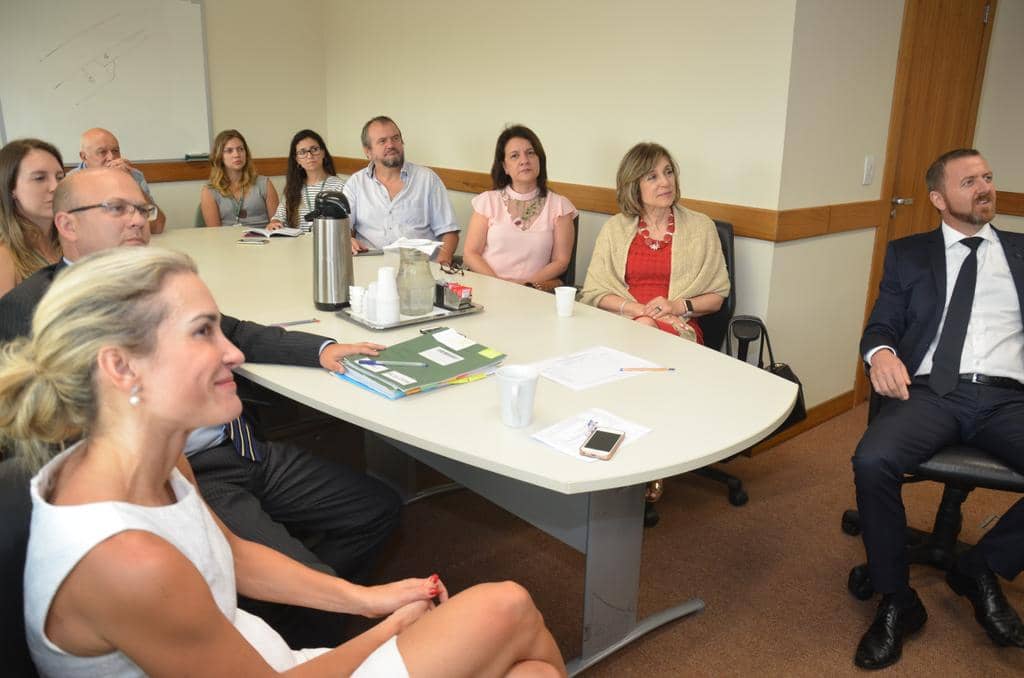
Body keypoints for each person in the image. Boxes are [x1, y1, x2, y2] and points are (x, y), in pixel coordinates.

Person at [0, 246, 567, 677]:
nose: (235, 352)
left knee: (532, 671)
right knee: (508, 606)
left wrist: (366, 599)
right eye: (203, 332)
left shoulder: (152, 459)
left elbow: (233, 554)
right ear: (121, 368)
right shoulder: (124, 560)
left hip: (261, 656)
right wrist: (385, 631)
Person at [0, 168, 404, 650]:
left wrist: (323, 349)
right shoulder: (30, 308)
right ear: (67, 224)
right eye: (117, 209)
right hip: (180, 474)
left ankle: (287, 615)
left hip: (233, 447)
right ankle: (289, 624)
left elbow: (240, 334)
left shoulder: (157, 281)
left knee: (377, 509)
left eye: (141, 208)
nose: (137, 221)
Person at [851, 148, 1024, 669]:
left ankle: (981, 565)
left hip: (1008, 396)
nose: (985, 188)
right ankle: (897, 599)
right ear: (938, 198)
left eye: (988, 178)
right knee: (871, 459)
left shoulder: (1019, 251)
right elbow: (881, 325)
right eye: (969, 181)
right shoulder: (909, 254)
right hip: (932, 392)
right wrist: (880, 354)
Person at [581, 142, 730, 525]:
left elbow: (717, 297)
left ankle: (640, 466)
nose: (665, 181)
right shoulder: (616, 228)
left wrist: (678, 306)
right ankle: (638, 460)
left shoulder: (700, 227)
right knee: (640, 331)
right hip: (625, 321)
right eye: (652, 175)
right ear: (634, 185)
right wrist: (634, 309)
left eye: (668, 171)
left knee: (646, 335)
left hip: (678, 327)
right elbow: (595, 290)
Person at [462, 125, 577, 289]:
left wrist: (524, 286)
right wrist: (498, 284)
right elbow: (470, 254)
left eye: (530, 153)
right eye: (515, 156)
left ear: (540, 159)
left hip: (533, 292)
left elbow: (561, 262)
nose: (524, 160)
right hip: (487, 288)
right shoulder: (488, 201)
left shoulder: (560, 206)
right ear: (505, 167)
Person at [345, 116, 459, 265]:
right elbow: (342, 227)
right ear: (368, 151)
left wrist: (441, 264)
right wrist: (347, 240)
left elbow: (449, 232)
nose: (391, 145)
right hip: (370, 268)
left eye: (395, 138)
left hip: (419, 270)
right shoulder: (356, 183)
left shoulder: (427, 179)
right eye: (382, 141)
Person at [0, 139, 65, 298]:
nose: (55, 187)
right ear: (11, 187)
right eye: (39, 178)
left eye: (59, 177)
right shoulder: (4, 257)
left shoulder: (70, 239)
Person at [74, 127, 167, 233]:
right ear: (84, 156)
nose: (111, 157)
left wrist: (131, 183)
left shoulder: (134, 176)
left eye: (115, 151)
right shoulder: (70, 182)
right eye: (102, 152)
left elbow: (157, 226)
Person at [200, 129, 280, 227]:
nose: (237, 155)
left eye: (240, 149)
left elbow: (277, 224)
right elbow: (214, 233)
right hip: (227, 241)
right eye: (229, 151)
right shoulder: (209, 190)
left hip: (264, 240)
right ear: (220, 156)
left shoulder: (264, 184)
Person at [268, 130, 344, 230]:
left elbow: (346, 224)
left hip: (326, 242)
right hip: (296, 243)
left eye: (314, 149)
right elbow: (278, 217)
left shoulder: (340, 186)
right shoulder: (293, 188)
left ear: (323, 153)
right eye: (302, 152)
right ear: (297, 160)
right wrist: (274, 223)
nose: (309, 156)